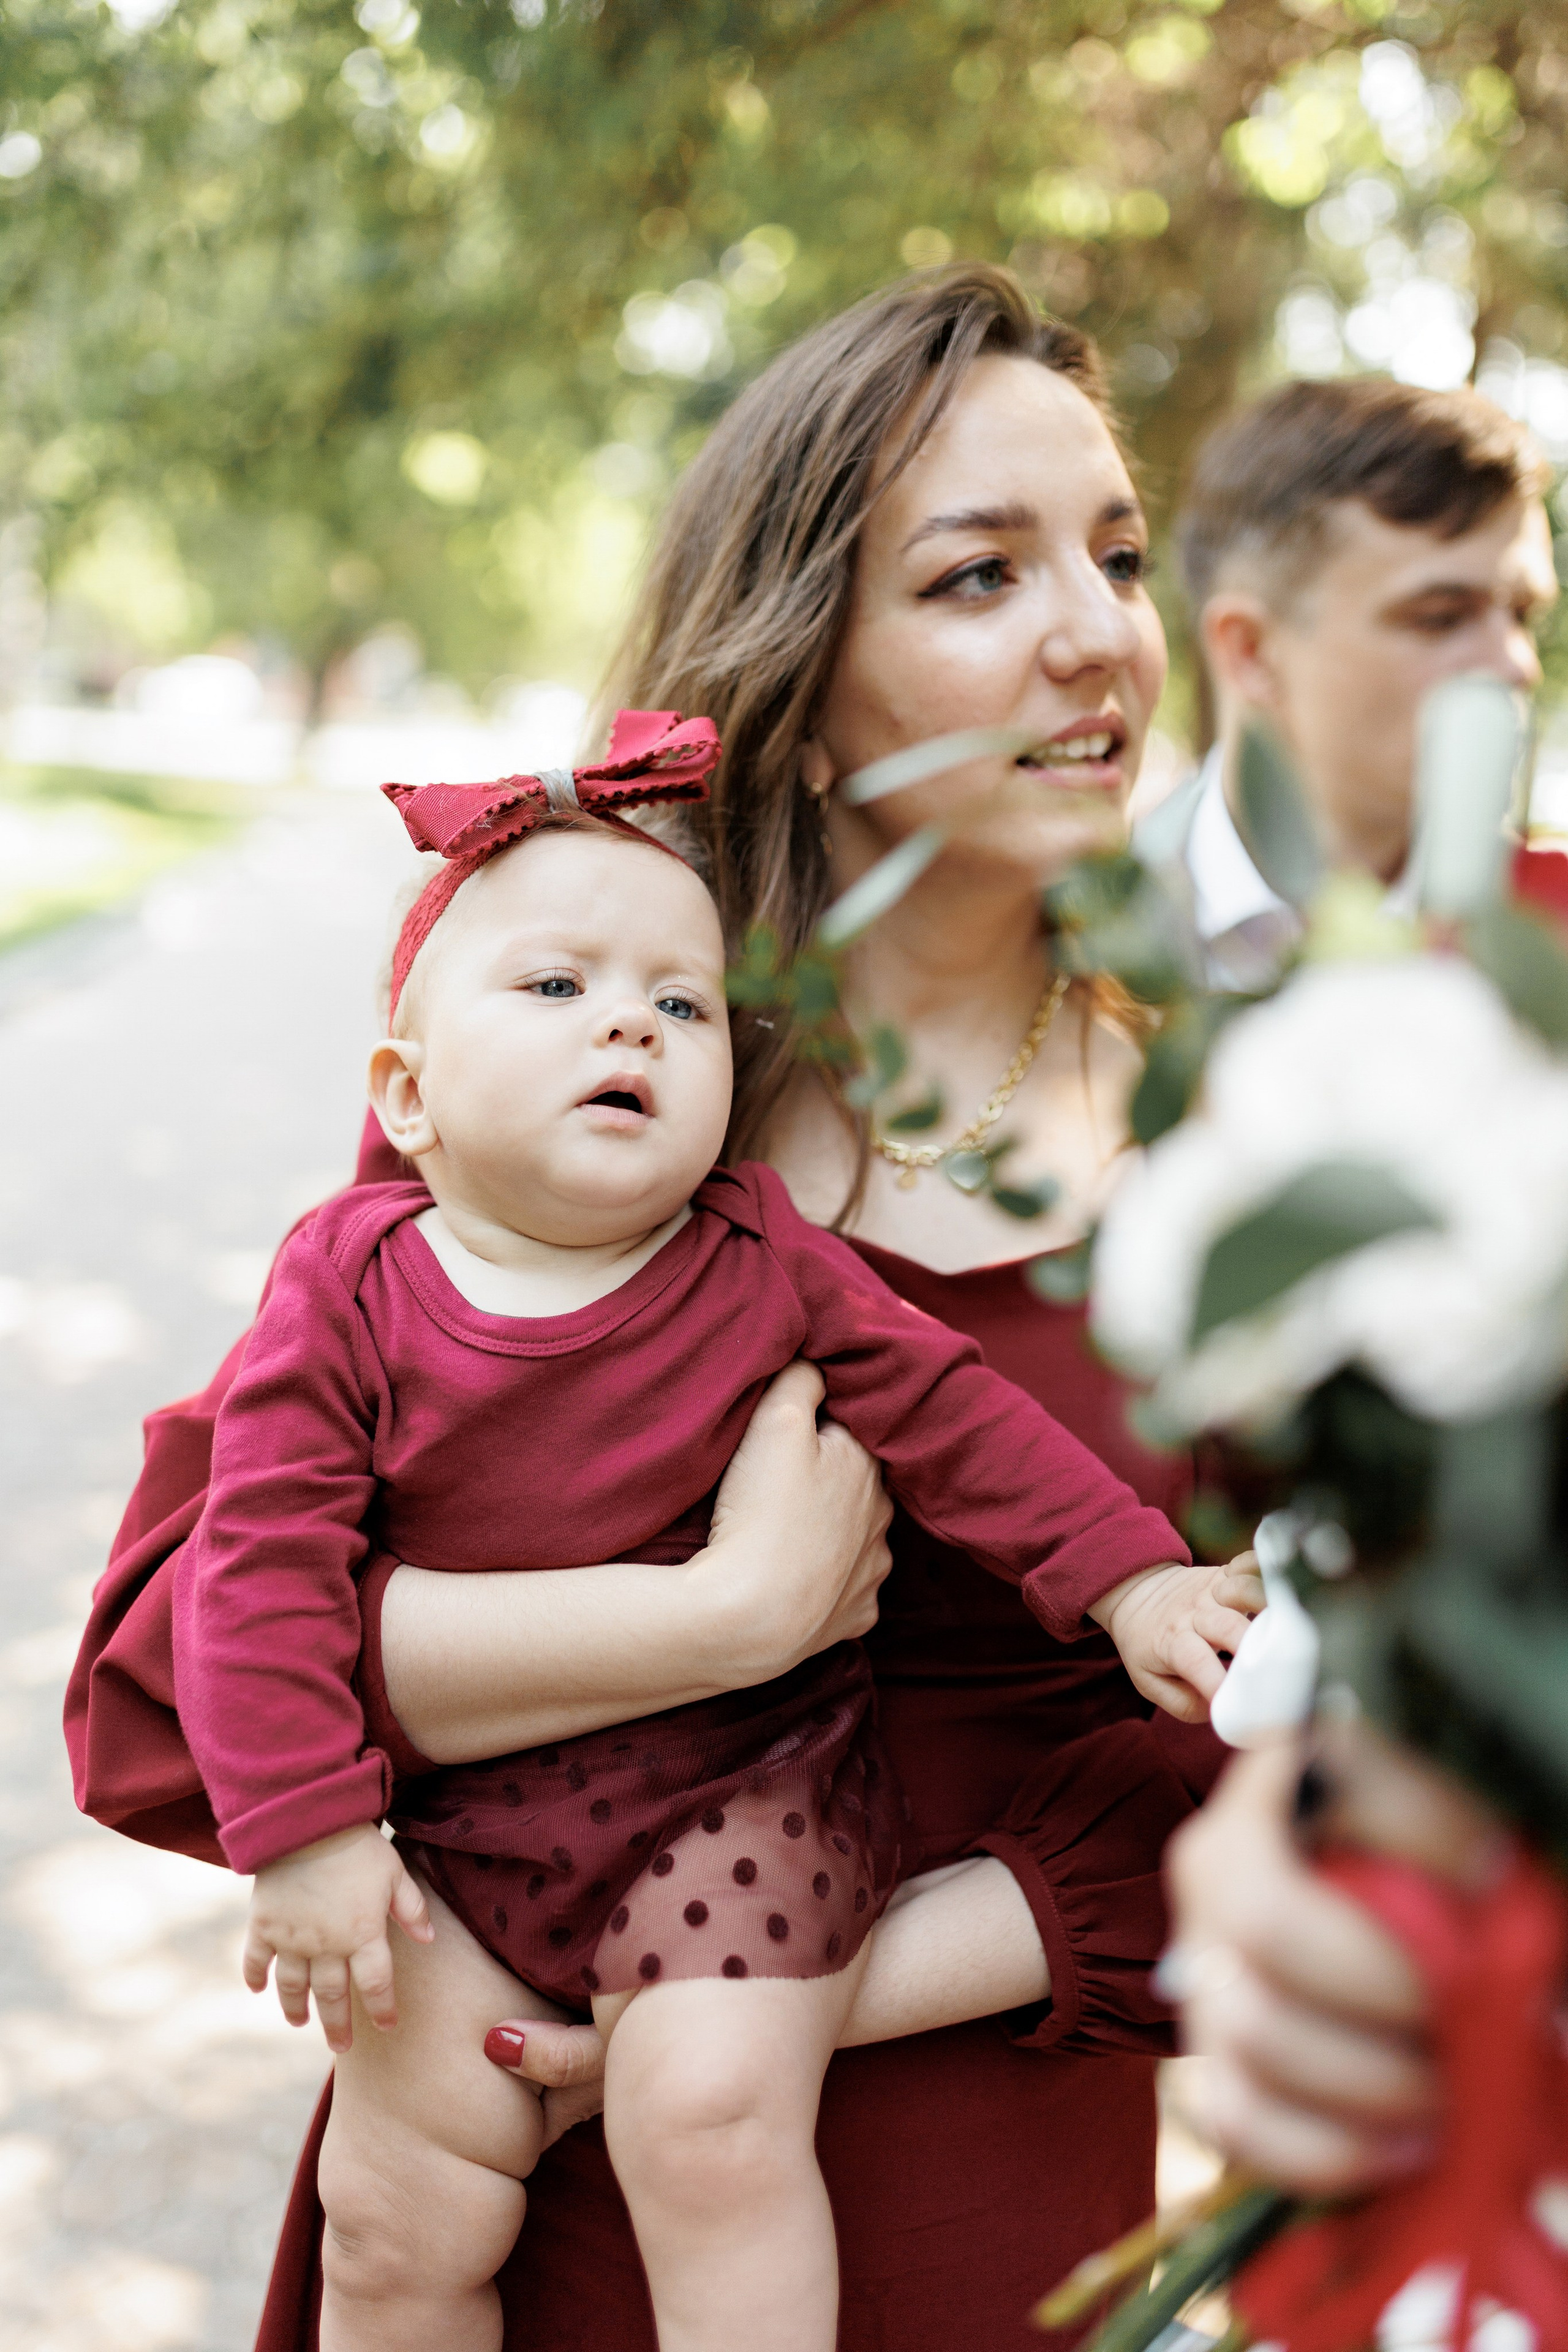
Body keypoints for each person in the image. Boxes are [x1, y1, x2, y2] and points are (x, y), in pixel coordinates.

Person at [69, 265, 1259, 2352]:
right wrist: (717, 1623)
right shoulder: (584, 1096)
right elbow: (184, 1643)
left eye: (1121, 553)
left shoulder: (1257, 1132)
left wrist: (759, 2001)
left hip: (967, 2175)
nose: (1097, 631)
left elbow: (1377, 1754)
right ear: (802, 675)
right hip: (512, 2177)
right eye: (981, 574)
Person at [174, 768, 1250, 2352]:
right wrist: (311, 1833)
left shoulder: (757, 1254)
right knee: (398, 2215)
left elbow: (960, 1419)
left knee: (712, 2130)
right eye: (557, 988)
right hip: (464, 1845)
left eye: (680, 1006)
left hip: (741, 1806)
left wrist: (1133, 1578)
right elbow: (256, 1563)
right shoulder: (346, 1286)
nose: (628, 1028)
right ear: (407, 1096)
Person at [1138, 376, 1555, 988]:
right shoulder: (1063, 945)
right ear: (1251, 651)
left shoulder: (1550, 930)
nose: (1517, 665)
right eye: (1441, 617)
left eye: (1520, 615)